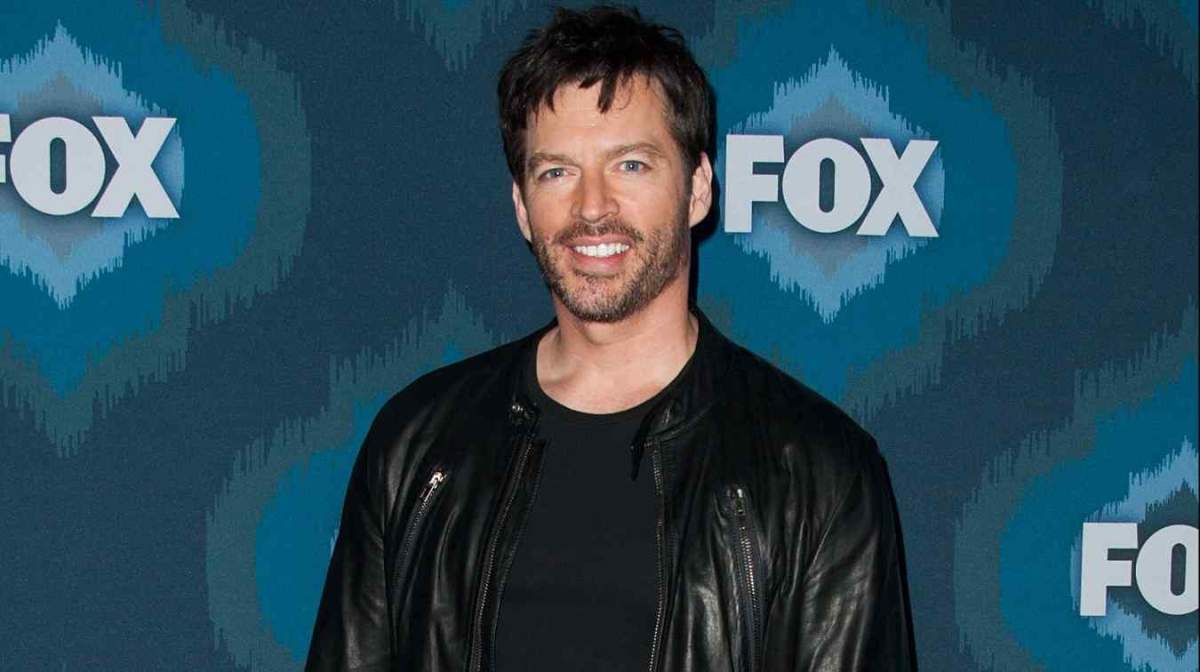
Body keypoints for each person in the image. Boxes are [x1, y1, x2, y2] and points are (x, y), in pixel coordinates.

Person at [306, 6, 913, 671]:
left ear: (698, 189)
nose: (592, 207)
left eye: (630, 165)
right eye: (556, 172)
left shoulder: (819, 472)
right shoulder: (418, 444)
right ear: (522, 208)